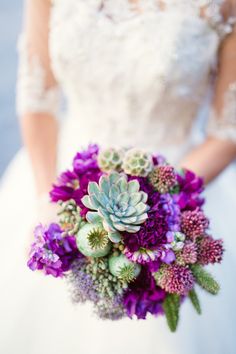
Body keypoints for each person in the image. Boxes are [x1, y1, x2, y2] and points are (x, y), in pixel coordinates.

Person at [0, 1, 236, 353]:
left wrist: (155, 210)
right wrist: (49, 201)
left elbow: (227, 130)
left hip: (176, 191)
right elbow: (38, 98)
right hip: (63, 183)